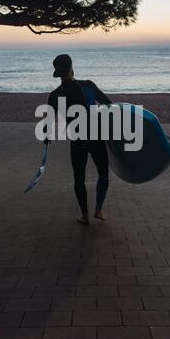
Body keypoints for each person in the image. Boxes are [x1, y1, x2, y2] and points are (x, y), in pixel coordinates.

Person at [46, 54, 112, 225]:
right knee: (103, 173)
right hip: (96, 136)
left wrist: (47, 137)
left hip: (77, 140)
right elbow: (108, 104)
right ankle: (99, 210)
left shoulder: (55, 95)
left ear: (58, 73)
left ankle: (84, 215)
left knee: (79, 178)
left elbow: (49, 124)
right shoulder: (88, 85)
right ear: (72, 68)